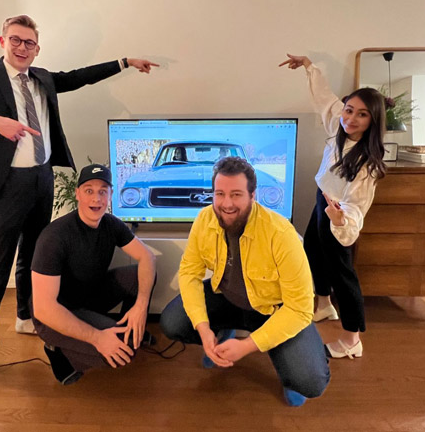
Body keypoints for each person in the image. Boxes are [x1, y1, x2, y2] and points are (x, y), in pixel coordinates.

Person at [0, 14, 159, 402]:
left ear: (37, 48)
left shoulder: (42, 77)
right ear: (2, 40)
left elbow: (78, 76)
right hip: (4, 186)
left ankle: (27, 317)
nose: (22, 48)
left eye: (29, 43)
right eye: (15, 40)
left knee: (32, 258)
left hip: (41, 180)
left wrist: (124, 63)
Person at [160, 157, 330, 407]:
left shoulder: (281, 234)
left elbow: (301, 309)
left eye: (236, 194)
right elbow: (189, 273)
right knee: (172, 322)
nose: (226, 204)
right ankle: (221, 332)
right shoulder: (204, 219)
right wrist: (204, 328)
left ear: (253, 195)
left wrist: (248, 346)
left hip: (274, 311)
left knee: (310, 382)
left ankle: (286, 368)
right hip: (227, 298)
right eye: (220, 194)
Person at [279, 53, 387, 359]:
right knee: (311, 251)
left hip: (339, 213)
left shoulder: (367, 164)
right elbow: (325, 98)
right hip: (321, 198)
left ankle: (353, 338)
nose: (350, 118)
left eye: (361, 115)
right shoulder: (338, 127)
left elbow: (357, 208)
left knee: (343, 272)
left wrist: (340, 220)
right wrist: (309, 67)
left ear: (373, 121)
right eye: (349, 110)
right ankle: (324, 304)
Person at [31, 164, 156, 384]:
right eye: (89, 190)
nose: (96, 199)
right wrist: (98, 338)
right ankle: (60, 352)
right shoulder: (55, 237)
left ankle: (129, 328)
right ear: (77, 194)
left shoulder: (110, 225)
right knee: (124, 352)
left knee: (143, 276)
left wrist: (140, 308)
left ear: (110, 195)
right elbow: (44, 309)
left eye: (102, 191)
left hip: (88, 297)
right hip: (55, 314)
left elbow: (147, 258)